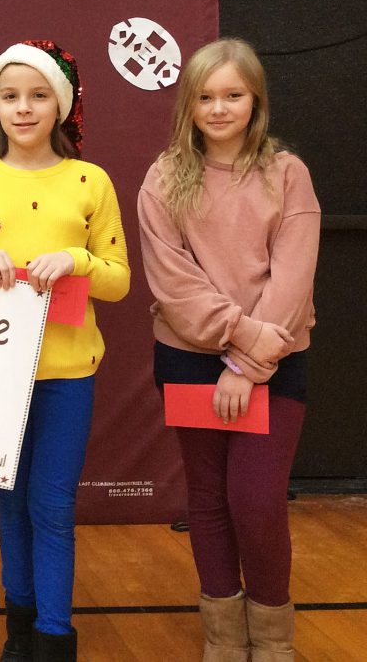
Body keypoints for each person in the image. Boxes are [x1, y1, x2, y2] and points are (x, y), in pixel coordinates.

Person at [0, 41, 130, 661]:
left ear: (62, 105)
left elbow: (119, 279)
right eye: (10, 96)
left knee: (52, 506)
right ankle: (18, 629)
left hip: (67, 373)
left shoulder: (90, 181)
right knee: (9, 502)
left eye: (38, 95)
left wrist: (76, 259)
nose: (23, 109)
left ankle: (54, 638)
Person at [137, 38, 319, 662]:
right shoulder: (163, 178)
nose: (219, 109)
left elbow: (292, 279)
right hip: (188, 357)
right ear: (188, 104)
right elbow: (173, 283)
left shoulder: (287, 173)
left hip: (275, 359)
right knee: (209, 500)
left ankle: (272, 643)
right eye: (206, 97)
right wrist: (236, 343)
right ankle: (222, 639)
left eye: (233, 95)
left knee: (257, 499)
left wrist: (248, 364)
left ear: (255, 101)